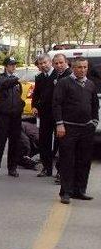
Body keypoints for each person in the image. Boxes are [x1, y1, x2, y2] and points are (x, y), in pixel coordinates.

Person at [53, 56, 99, 204]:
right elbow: (57, 104)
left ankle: (79, 191)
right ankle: (66, 192)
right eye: (79, 67)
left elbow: (94, 105)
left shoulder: (90, 84)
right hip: (68, 128)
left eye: (85, 67)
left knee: (84, 161)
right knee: (68, 160)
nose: (82, 70)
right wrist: (60, 124)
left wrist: (94, 121)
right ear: (73, 67)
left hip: (86, 129)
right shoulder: (64, 83)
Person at [0, 56, 24, 178]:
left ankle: (12, 168)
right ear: (6, 66)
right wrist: (15, 80)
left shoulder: (16, 82)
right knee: (0, 142)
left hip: (15, 116)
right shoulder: (0, 78)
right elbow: (3, 84)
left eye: (15, 64)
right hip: (3, 116)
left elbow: (19, 94)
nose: (13, 67)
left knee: (15, 143)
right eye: (11, 65)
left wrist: (21, 105)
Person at [31, 53, 57, 177]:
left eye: (45, 63)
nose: (43, 65)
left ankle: (60, 171)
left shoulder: (58, 75)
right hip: (44, 114)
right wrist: (34, 106)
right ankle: (46, 168)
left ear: (50, 62)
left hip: (57, 114)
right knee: (44, 141)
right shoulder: (39, 77)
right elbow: (36, 94)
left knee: (59, 142)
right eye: (40, 64)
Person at [50, 53, 72, 184]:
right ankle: (60, 171)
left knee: (65, 147)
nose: (59, 65)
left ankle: (62, 173)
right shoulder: (57, 76)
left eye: (61, 62)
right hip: (59, 118)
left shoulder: (70, 76)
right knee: (59, 146)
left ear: (66, 62)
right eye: (56, 63)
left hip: (68, 119)